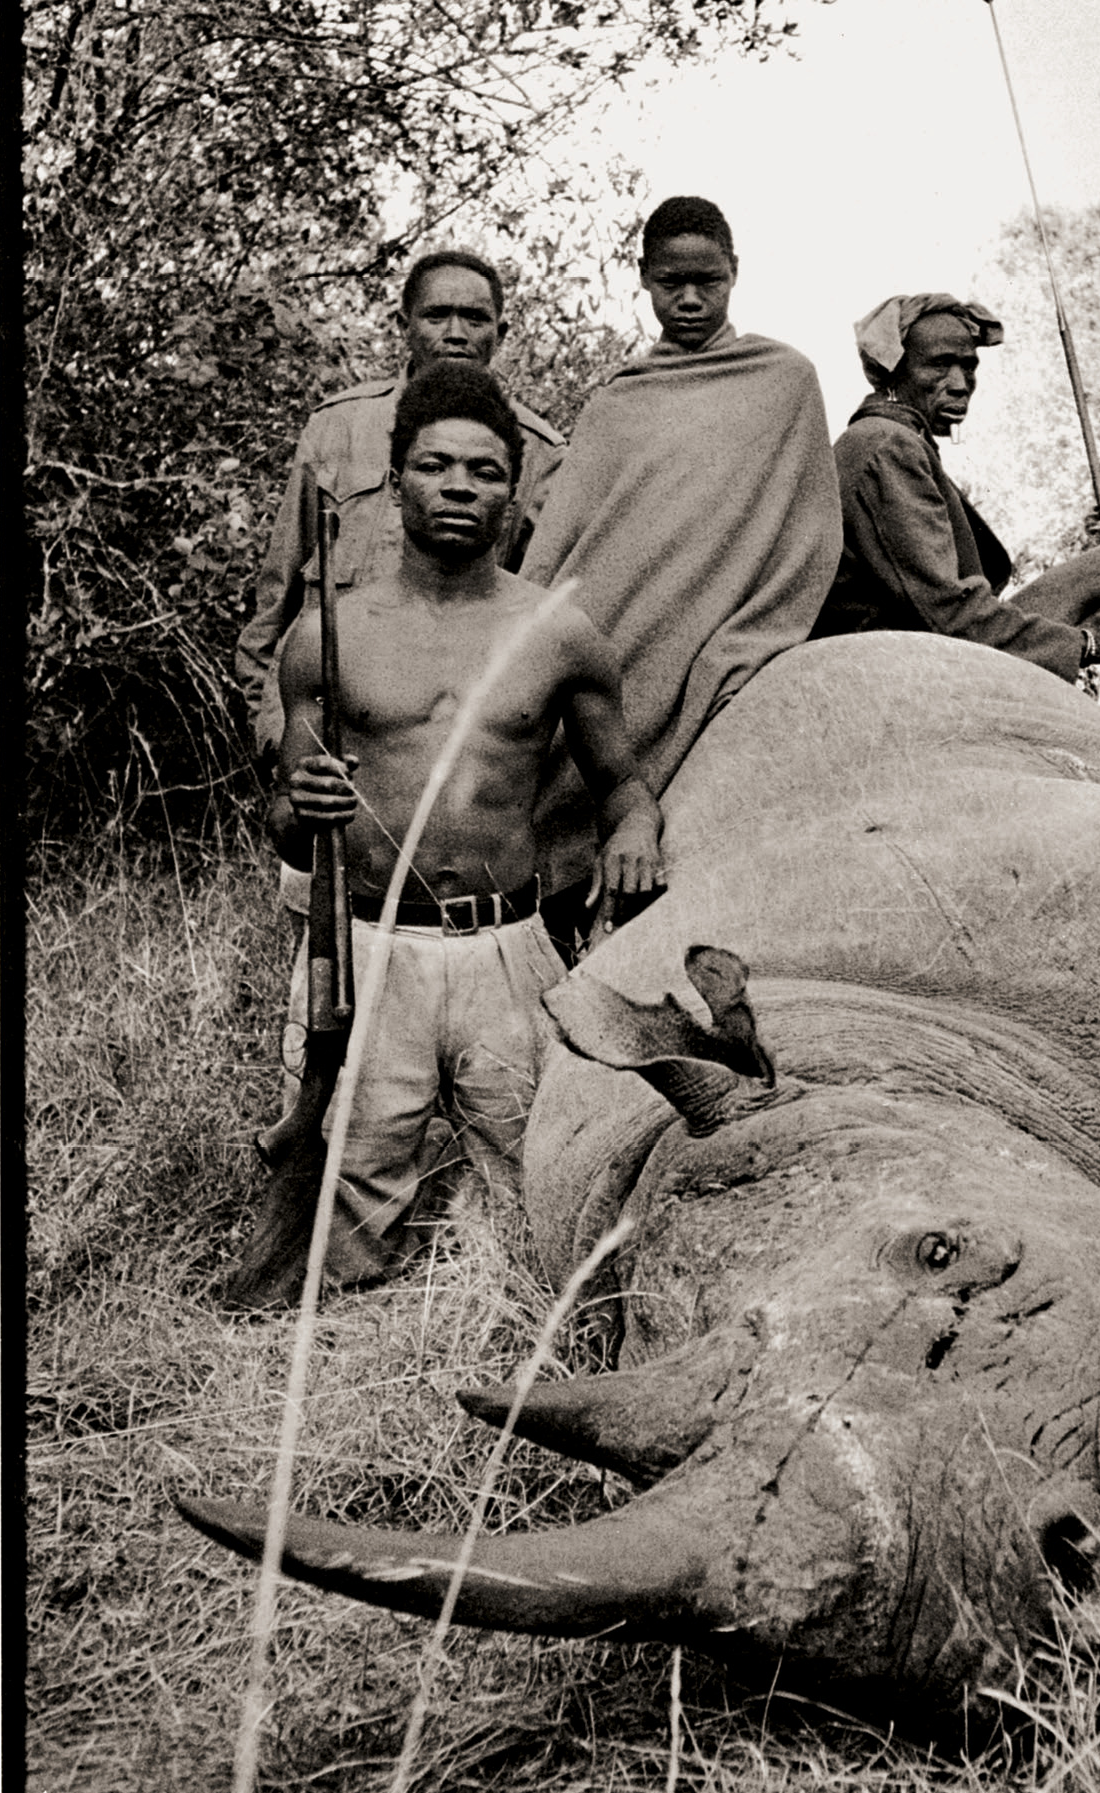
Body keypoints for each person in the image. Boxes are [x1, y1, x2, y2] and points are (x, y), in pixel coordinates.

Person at [271, 360, 664, 1285]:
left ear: (514, 489)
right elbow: (286, 820)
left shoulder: (559, 632)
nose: (458, 486)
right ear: (397, 476)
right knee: (348, 1220)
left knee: (547, 1196)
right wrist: (303, 805)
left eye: (484, 471)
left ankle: (524, 1359)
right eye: (435, 465)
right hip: (366, 950)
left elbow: (624, 789)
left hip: (509, 950)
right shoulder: (331, 632)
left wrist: (633, 834)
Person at [522, 195, 841, 895]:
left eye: (709, 282)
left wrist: (750, 635)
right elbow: (567, 547)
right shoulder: (617, 401)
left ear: (735, 273)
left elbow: (806, 529)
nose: (690, 300)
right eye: (672, 284)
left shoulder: (784, 381)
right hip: (614, 645)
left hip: (733, 641)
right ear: (642, 278)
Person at [236, 245, 566, 760]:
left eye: (476, 318)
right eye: (437, 315)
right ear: (403, 324)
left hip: (440, 734)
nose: (456, 333)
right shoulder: (339, 427)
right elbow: (279, 589)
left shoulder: (536, 452)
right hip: (320, 721)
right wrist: (269, 722)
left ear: (501, 333)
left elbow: (538, 610)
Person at [812, 293, 1100, 680]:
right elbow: (948, 612)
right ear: (893, 371)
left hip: (932, 645)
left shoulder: (895, 439)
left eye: (968, 366)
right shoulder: (886, 445)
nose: (960, 384)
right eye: (940, 365)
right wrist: (1086, 643)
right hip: (905, 667)